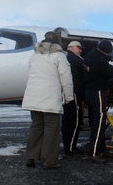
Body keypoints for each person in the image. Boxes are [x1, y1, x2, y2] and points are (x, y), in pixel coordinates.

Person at [22, 31, 74, 169]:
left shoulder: (34, 56)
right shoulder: (59, 56)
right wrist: (69, 96)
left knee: (36, 126)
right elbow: (66, 78)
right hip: (50, 98)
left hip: (33, 97)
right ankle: (49, 160)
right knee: (52, 128)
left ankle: (30, 157)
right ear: (57, 42)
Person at [83, 40, 113, 163]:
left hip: (90, 91)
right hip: (97, 91)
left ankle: (102, 149)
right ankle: (93, 153)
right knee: (99, 120)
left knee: (98, 121)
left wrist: (111, 58)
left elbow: (103, 58)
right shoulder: (97, 59)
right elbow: (110, 71)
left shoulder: (92, 54)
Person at [61, 41, 86, 155]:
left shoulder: (64, 57)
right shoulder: (75, 58)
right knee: (74, 121)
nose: (81, 50)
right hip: (74, 94)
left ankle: (68, 146)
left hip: (67, 94)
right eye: (79, 48)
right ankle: (70, 147)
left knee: (67, 121)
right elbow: (87, 69)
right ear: (72, 47)